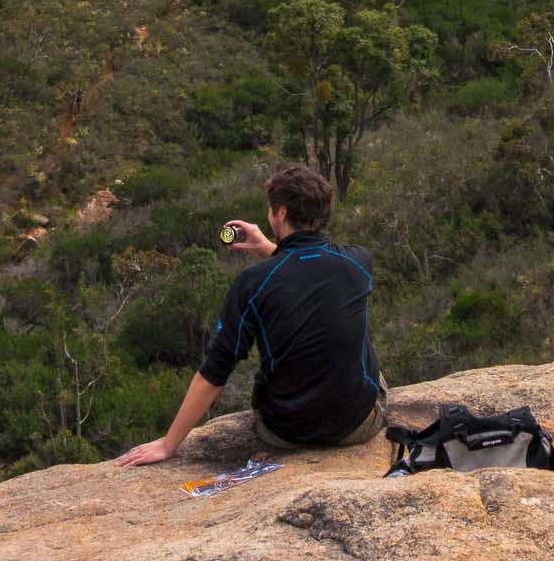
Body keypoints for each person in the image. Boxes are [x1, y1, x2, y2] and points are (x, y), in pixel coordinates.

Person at [115, 164, 386, 465]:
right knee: (356, 339)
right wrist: (270, 249)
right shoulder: (359, 262)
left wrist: (168, 445)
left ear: (281, 213)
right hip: (356, 426)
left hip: (285, 432)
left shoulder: (253, 283)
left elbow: (215, 372)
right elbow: (309, 274)